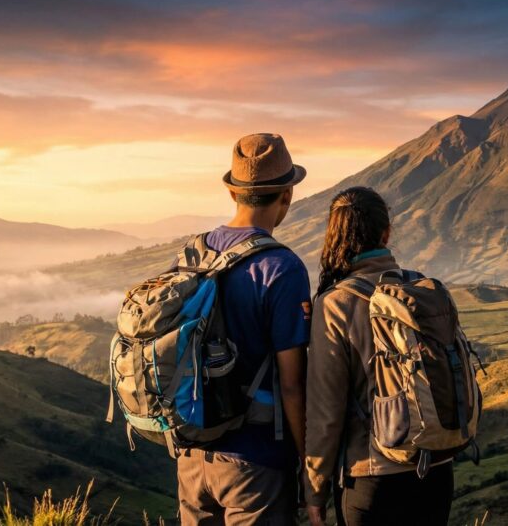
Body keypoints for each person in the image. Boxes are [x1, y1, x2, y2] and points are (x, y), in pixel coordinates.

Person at [177, 133, 311, 525]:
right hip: (255, 464)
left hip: (192, 457)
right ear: (286, 195)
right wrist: (308, 460)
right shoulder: (282, 268)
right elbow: (292, 384)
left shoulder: (194, 251)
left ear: (232, 193)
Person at [305, 187, 455, 526]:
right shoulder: (423, 291)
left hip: (373, 477)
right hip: (436, 472)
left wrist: (314, 489)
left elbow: (325, 414)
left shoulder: (335, 304)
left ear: (333, 236)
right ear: (386, 233)